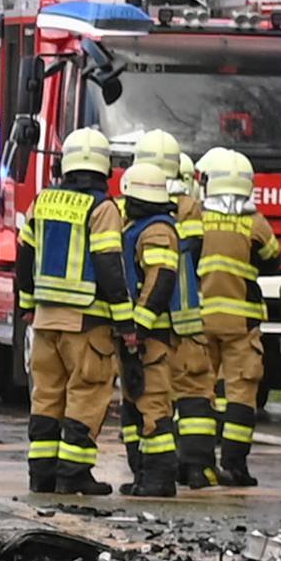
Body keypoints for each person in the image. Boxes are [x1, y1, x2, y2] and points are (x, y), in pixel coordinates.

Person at [17, 127, 127, 496]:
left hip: (45, 320)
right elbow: (109, 265)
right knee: (87, 393)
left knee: (47, 394)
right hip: (86, 321)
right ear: (104, 167)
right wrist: (125, 319)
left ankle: (42, 474)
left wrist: (26, 305)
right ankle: (75, 473)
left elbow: (24, 255)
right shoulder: (103, 208)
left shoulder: (43, 200)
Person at [188, 149, 281, 486]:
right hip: (242, 323)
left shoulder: (197, 216)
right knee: (241, 392)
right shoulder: (255, 222)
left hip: (200, 319)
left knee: (199, 388)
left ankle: (196, 464)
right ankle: (235, 466)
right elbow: (273, 260)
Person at [115, 163, 185, 498]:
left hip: (151, 335)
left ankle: (159, 478)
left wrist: (139, 326)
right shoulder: (140, 226)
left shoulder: (157, 230)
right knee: (135, 401)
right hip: (138, 334)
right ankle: (142, 473)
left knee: (154, 403)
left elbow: (160, 280)